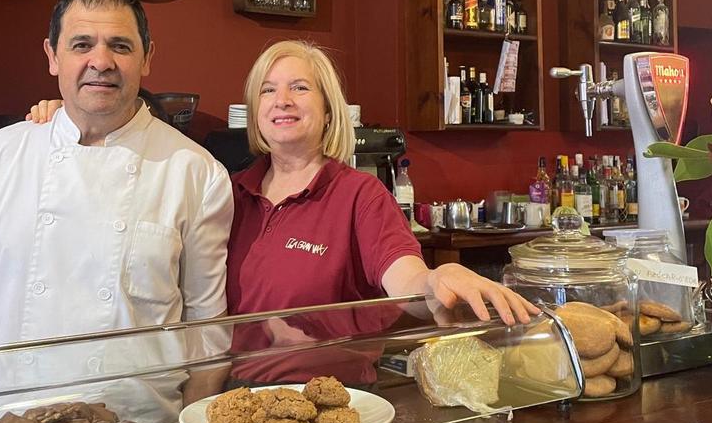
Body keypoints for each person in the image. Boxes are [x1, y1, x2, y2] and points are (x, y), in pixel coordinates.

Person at [29, 40, 537, 321]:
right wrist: (72, 121)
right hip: (226, 407)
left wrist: (432, 279)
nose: (282, 100)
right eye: (268, 90)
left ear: (328, 107)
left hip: (331, 409)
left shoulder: (358, 194)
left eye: (300, 87)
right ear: (254, 111)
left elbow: (401, 275)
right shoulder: (226, 191)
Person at [0, 0, 233, 423]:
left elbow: (206, 328)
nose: (100, 62)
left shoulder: (195, 172)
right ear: (52, 55)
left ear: (147, 57)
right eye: (82, 44)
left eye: (120, 45)